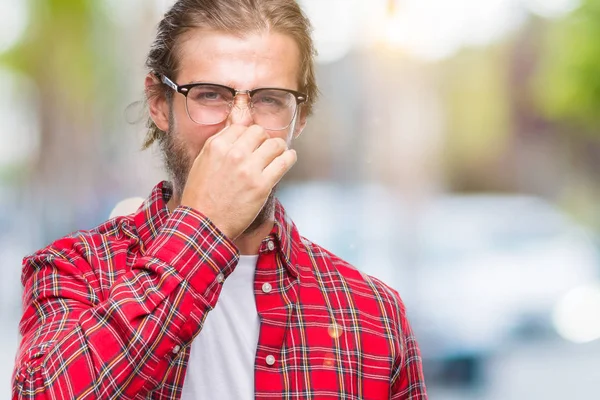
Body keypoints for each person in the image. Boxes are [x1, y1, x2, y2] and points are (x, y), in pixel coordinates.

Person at [12, 0, 427, 399]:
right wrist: (206, 223)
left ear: (300, 119)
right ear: (159, 104)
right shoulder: (73, 272)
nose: (239, 127)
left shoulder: (373, 313)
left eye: (268, 99)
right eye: (210, 94)